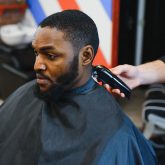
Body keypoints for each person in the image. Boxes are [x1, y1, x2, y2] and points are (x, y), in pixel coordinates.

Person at [0, 10, 157, 165]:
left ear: (86, 56)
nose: (37, 66)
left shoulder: (118, 135)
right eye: (36, 53)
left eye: (51, 56)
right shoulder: (24, 95)